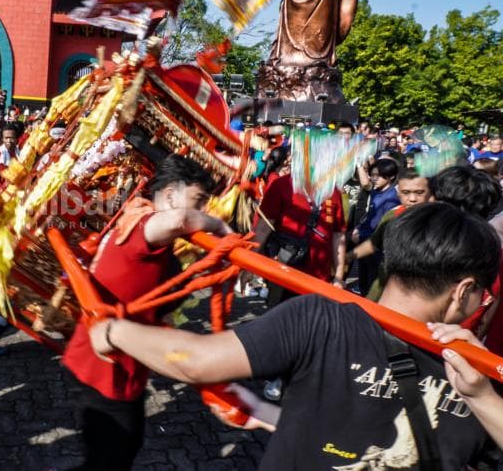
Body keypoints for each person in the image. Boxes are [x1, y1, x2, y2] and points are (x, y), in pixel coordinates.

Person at [89, 202, 500, 470]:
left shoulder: (319, 319)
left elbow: (194, 360)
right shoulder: (481, 368)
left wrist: (115, 330)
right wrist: (483, 395)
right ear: (464, 290)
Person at [62, 154, 232, 469]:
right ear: (169, 196)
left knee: (122, 449)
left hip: (116, 364)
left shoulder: (140, 221)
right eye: (198, 201)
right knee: (111, 458)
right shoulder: (145, 224)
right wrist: (221, 227)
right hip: (103, 367)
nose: (202, 212)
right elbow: (177, 220)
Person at [347, 169, 433, 301]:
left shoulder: (439, 221)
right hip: (383, 286)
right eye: (406, 193)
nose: (412, 199)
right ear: (398, 192)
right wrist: (346, 257)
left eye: (419, 192)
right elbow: (373, 244)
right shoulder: (393, 215)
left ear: (430, 193)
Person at [354, 158, 400, 296]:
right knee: (363, 277)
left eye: (378, 175)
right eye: (372, 175)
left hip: (375, 246)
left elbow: (384, 227)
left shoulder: (392, 198)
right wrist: (359, 163)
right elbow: (365, 184)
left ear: (391, 176)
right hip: (364, 238)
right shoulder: (377, 190)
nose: (374, 178)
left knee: (372, 281)